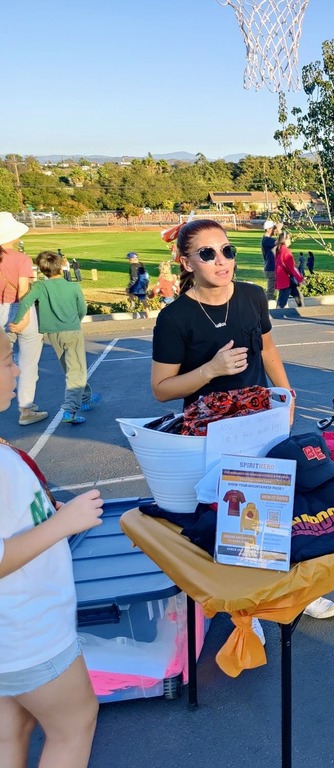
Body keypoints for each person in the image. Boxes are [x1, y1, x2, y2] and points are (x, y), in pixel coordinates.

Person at [150, 219, 334, 620]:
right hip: (209, 431)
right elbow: (162, 388)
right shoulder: (175, 318)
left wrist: (286, 395)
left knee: (275, 510)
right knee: (228, 521)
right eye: (207, 254)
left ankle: (294, 593)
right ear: (186, 263)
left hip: (258, 421)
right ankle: (245, 613)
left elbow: (268, 350)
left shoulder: (253, 296)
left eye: (227, 250)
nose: (222, 261)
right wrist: (210, 370)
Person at [0, 330, 104, 767]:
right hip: (27, 633)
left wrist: (43, 511)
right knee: (75, 723)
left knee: (13, 730)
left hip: (13, 637)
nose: (18, 368)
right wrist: (64, 522)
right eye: (7, 361)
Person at [11, 251, 100, 425]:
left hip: (52, 333)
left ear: (42, 269)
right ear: (61, 266)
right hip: (71, 330)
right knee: (77, 369)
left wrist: (16, 321)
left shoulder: (39, 287)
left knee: (70, 367)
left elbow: (26, 303)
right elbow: (82, 309)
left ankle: (86, 396)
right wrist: (76, 320)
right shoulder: (73, 287)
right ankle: (70, 409)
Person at [0, 212, 46, 426]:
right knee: (28, 362)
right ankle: (25, 408)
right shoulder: (20, 258)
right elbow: (24, 291)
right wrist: (24, 317)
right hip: (19, 307)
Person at [274, 231, 303, 309]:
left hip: (282, 277)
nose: (290, 240)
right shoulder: (286, 251)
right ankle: (277, 314)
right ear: (285, 240)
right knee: (282, 300)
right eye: (289, 239)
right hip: (286, 278)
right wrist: (300, 279)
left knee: (295, 292)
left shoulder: (279, 250)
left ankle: (300, 305)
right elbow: (291, 268)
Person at [261, 220, 278, 299]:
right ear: (268, 229)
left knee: (276, 291)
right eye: (273, 228)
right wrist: (280, 230)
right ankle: (267, 309)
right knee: (270, 293)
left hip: (271, 268)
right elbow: (282, 241)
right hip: (271, 269)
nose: (275, 229)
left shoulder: (267, 240)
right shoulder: (267, 240)